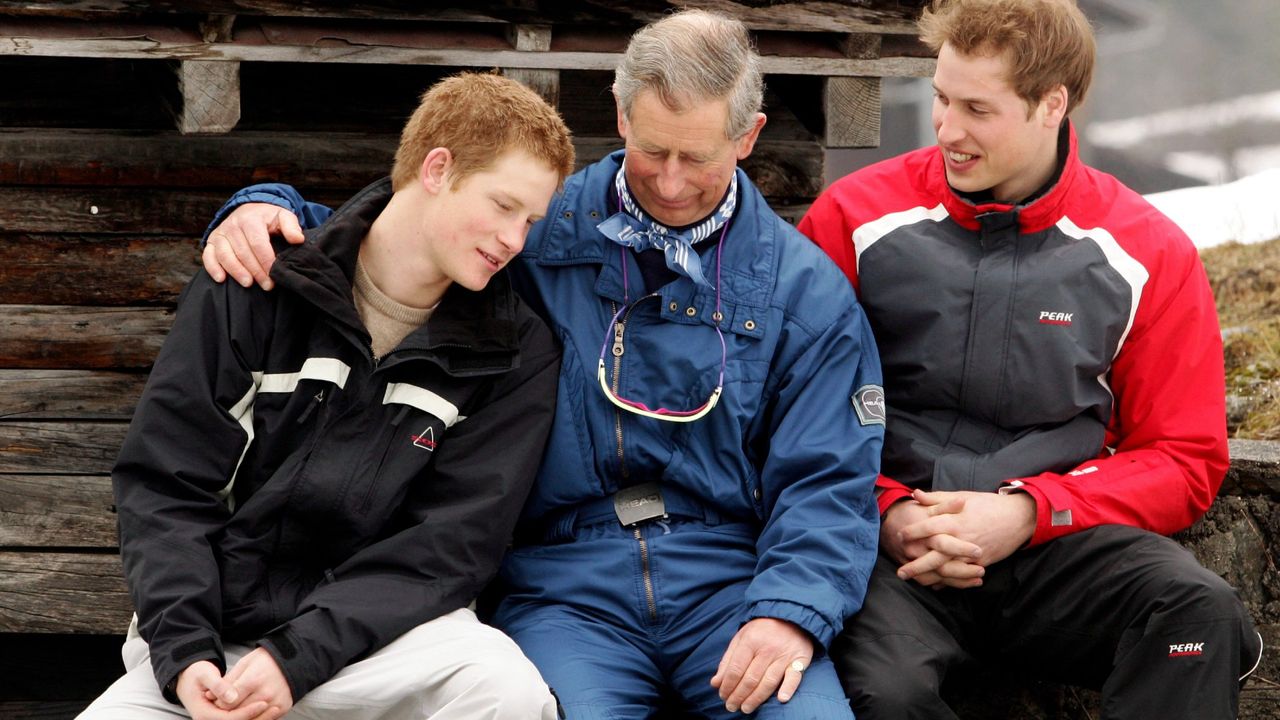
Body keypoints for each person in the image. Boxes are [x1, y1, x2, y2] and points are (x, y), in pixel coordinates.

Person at [198, 10, 884, 719]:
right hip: (563, 585)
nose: (672, 184)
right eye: (654, 151)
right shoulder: (536, 227)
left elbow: (830, 478)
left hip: (731, 585)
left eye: (700, 158)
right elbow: (400, 232)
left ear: (749, 137)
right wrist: (265, 206)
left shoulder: (806, 293)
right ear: (618, 114)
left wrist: (790, 611)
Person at [797, 0, 1265, 717]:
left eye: (977, 110)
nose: (948, 129)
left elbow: (1184, 456)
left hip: (1056, 544)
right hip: (890, 549)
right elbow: (793, 413)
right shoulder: (853, 218)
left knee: (1195, 619)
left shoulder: (1148, 253)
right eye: (941, 99)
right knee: (883, 696)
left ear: (1052, 104)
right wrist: (886, 511)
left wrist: (1029, 512)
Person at [79, 72, 574, 720]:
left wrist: (298, 656)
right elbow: (165, 485)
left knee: (507, 692)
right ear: (436, 168)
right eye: (504, 205)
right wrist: (186, 655)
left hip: (375, 650)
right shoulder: (253, 284)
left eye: (531, 220)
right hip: (208, 643)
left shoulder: (513, 353)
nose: (515, 240)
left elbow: (449, 546)